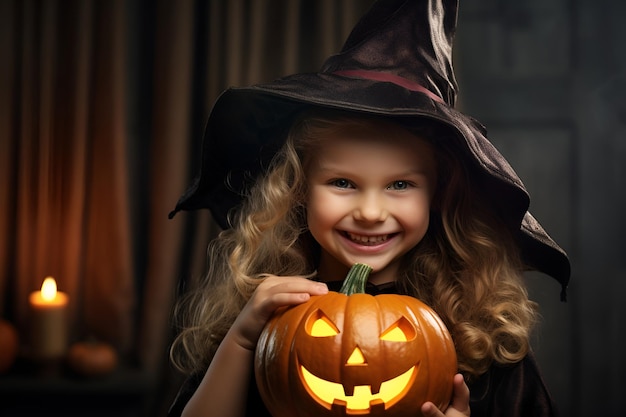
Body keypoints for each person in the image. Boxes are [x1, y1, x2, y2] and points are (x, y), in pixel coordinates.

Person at [167, 1, 571, 416]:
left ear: (436, 195)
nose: (371, 212)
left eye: (400, 185)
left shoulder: (482, 334)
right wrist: (242, 341)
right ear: (299, 189)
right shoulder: (263, 318)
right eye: (343, 183)